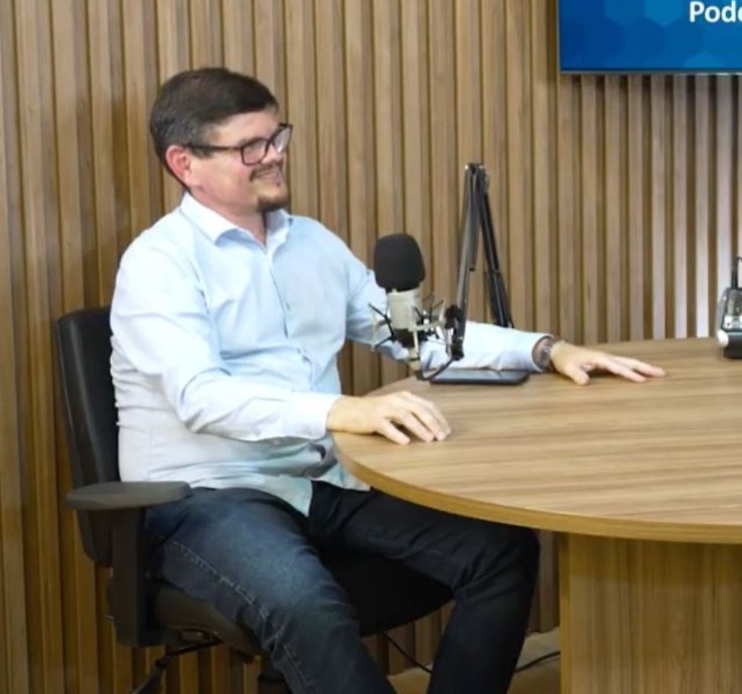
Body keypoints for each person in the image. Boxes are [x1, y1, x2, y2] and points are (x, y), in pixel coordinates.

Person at [111, 67, 664, 694]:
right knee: (305, 604)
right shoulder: (158, 264)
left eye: (277, 137)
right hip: (209, 496)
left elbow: (415, 338)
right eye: (251, 148)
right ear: (185, 163)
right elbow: (201, 397)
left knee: (502, 551)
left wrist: (545, 349)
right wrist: (340, 411)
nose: (275, 157)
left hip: (324, 479)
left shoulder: (311, 244)